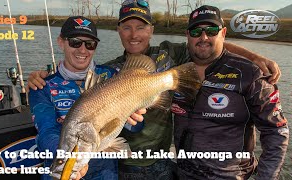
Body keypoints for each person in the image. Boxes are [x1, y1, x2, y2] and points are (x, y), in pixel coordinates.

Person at [27, 1, 283, 179]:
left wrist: (255, 57)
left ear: (151, 29)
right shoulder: (109, 71)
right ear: (118, 31)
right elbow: (84, 86)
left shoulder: (172, 52)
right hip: (123, 165)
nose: (134, 34)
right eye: (127, 27)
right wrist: (42, 77)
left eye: (141, 27)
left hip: (161, 163)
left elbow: (207, 46)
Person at [172, 5, 289, 179]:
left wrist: (266, 177)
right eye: (196, 32)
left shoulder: (250, 73)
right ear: (187, 35)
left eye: (211, 31)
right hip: (182, 173)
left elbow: (276, 132)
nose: (203, 37)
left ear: (223, 33)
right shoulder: (175, 67)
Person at [29, 16, 126, 180]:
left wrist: (134, 117)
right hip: (60, 172)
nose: (83, 50)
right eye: (75, 42)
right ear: (61, 42)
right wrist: (67, 159)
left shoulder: (112, 76)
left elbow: (135, 127)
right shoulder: (42, 86)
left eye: (90, 44)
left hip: (104, 173)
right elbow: (47, 131)